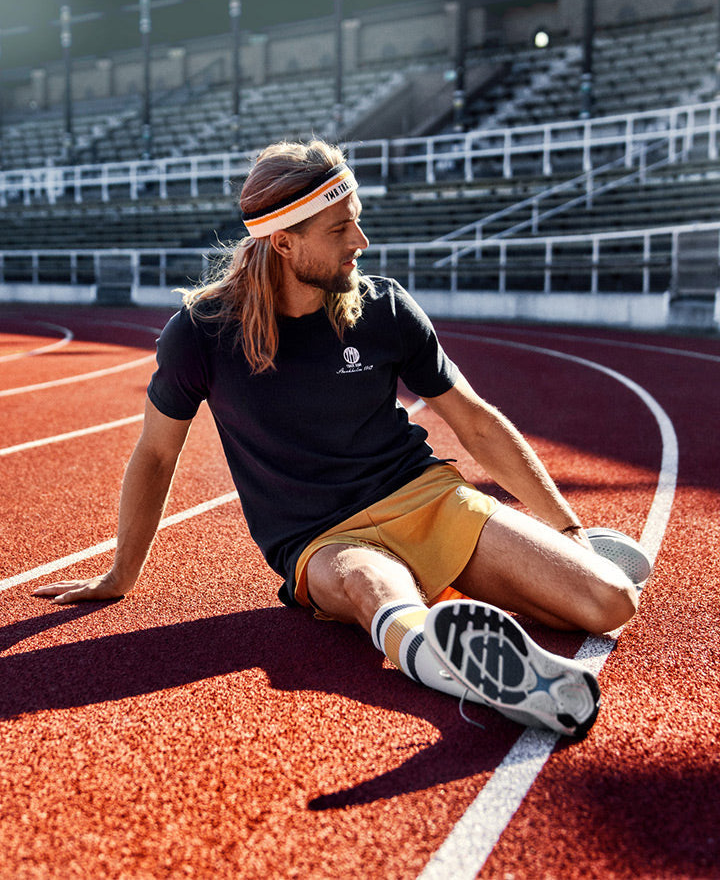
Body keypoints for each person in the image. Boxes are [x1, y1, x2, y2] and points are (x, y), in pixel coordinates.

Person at [34, 139, 639, 738]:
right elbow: (157, 452)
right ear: (284, 240)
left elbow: (476, 421)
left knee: (611, 602)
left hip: (425, 498)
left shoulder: (387, 308)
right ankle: (449, 657)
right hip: (321, 539)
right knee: (369, 585)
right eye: (340, 228)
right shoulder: (201, 333)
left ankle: (486, 590)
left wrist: (570, 532)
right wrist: (120, 574)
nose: (361, 242)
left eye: (358, 222)